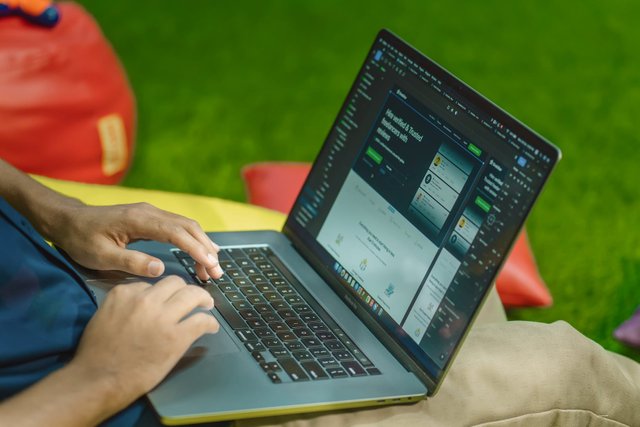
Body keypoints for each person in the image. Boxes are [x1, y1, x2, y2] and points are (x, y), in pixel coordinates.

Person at [1, 157, 639, 427]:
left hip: (103, 300)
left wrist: (57, 211)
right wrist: (100, 378)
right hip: (118, 400)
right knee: (561, 368)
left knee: (451, 306)